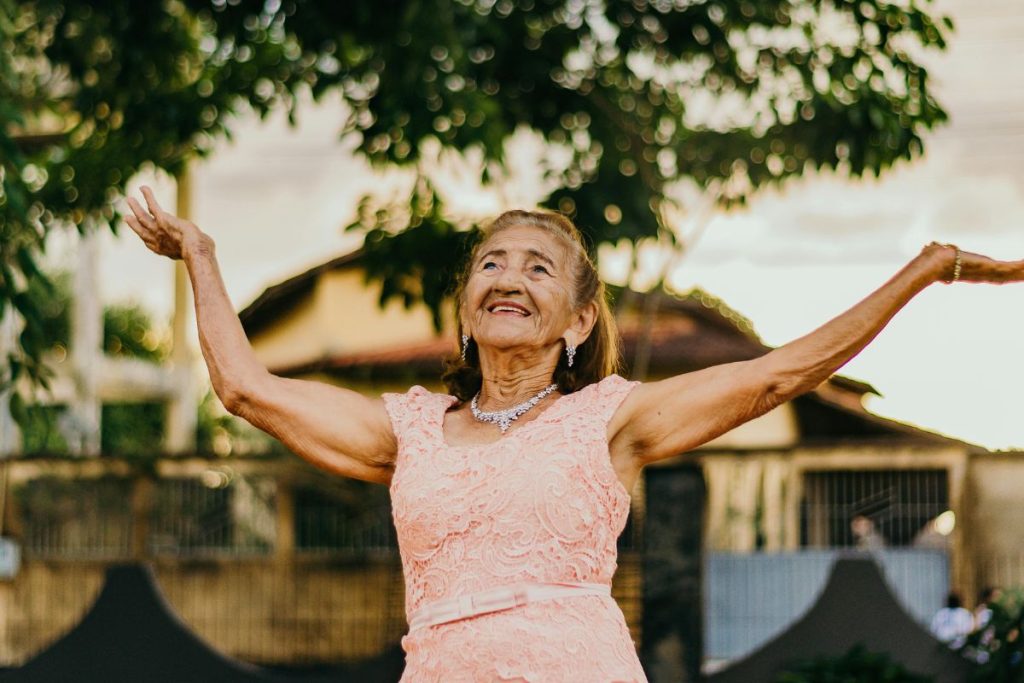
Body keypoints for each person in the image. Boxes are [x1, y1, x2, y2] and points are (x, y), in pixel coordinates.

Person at [124, 186, 1024, 682]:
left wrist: (926, 270)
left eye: (537, 267)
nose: (507, 279)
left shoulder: (610, 419)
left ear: (579, 320)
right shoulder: (406, 430)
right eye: (490, 265)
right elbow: (244, 388)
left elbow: (777, 375)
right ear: (467, 310)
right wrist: (202, 256)